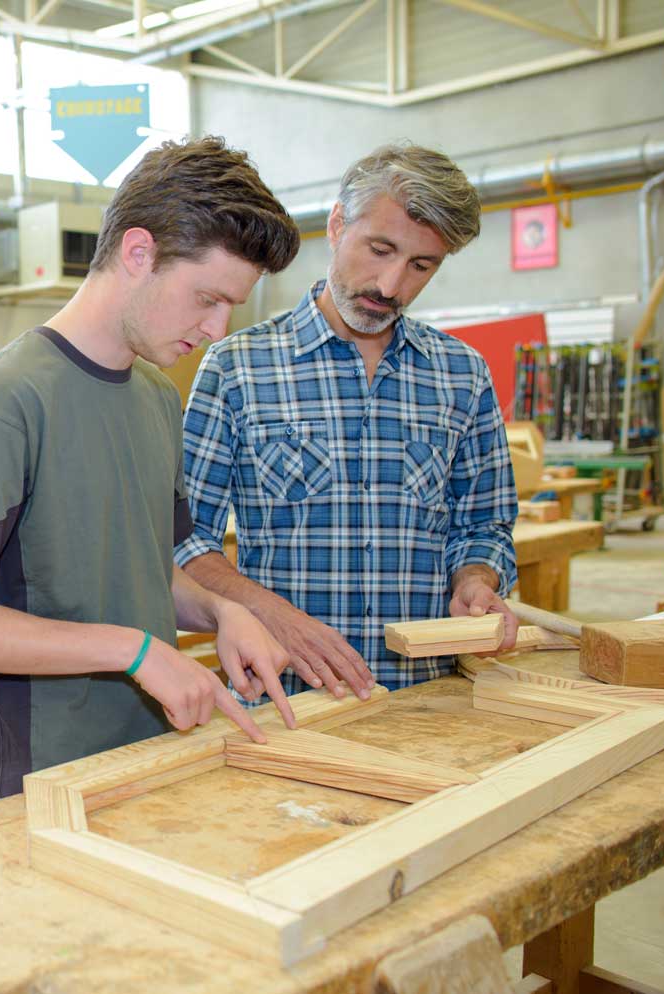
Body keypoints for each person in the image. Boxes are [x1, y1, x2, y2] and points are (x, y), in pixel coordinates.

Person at [0, 136, 301, 806]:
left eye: (230, 306)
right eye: (207, 298)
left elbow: (142, 571)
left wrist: (221, 610)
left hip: (154, 762)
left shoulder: (157, 398)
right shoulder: (9, 400)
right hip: (41, 790)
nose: (217, 328)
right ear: (138, 253)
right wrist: (134, 651)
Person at [175, 141, 519, 702]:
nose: (390, 286)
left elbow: (483, 525)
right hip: (289, 700)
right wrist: (271, 615)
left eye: (421, 266)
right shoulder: (237, 369)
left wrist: (476, 580)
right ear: (337, 225)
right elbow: (185, 539)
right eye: (380, 249)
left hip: (428, 700)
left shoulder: (462, 374)